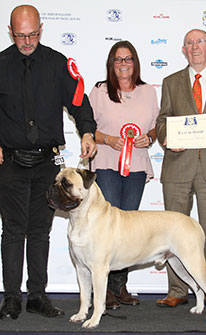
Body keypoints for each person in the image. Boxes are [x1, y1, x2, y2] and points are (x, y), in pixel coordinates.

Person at [0, 5, 97, 320]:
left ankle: (37, 296)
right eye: (20, 35)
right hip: (10, 162)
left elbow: (80, 102)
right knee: (13, 231)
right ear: (11, 31)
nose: (26, 41)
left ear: (40, 29)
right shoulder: (0, 63)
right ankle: (12, 298)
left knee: (41, 231)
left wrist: (88, 132)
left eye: (31, 34)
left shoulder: (58, 63)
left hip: (47, 165)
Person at [155, 28, 206, 308]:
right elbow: (162, 120)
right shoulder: (170, 82)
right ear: (183, 50)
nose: (194, 47)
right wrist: (165, 138)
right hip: (177, 166)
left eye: (200, 42)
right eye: (189, 43)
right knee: (171, 234)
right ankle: (177, 290)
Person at [89, 40, 159, 310]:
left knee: (127, 230)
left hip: (136, 166)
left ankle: (120, 287)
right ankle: (104, 289)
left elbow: (155, 128)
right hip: (106, 163)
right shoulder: (100, 90)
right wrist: (108, 139)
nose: (123, 64)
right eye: (118, 59)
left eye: (128, 59)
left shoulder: (148, 92)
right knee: (106, 231)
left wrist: (148, 139)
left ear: (135, 62)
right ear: (111, 63)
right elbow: (88, 128)